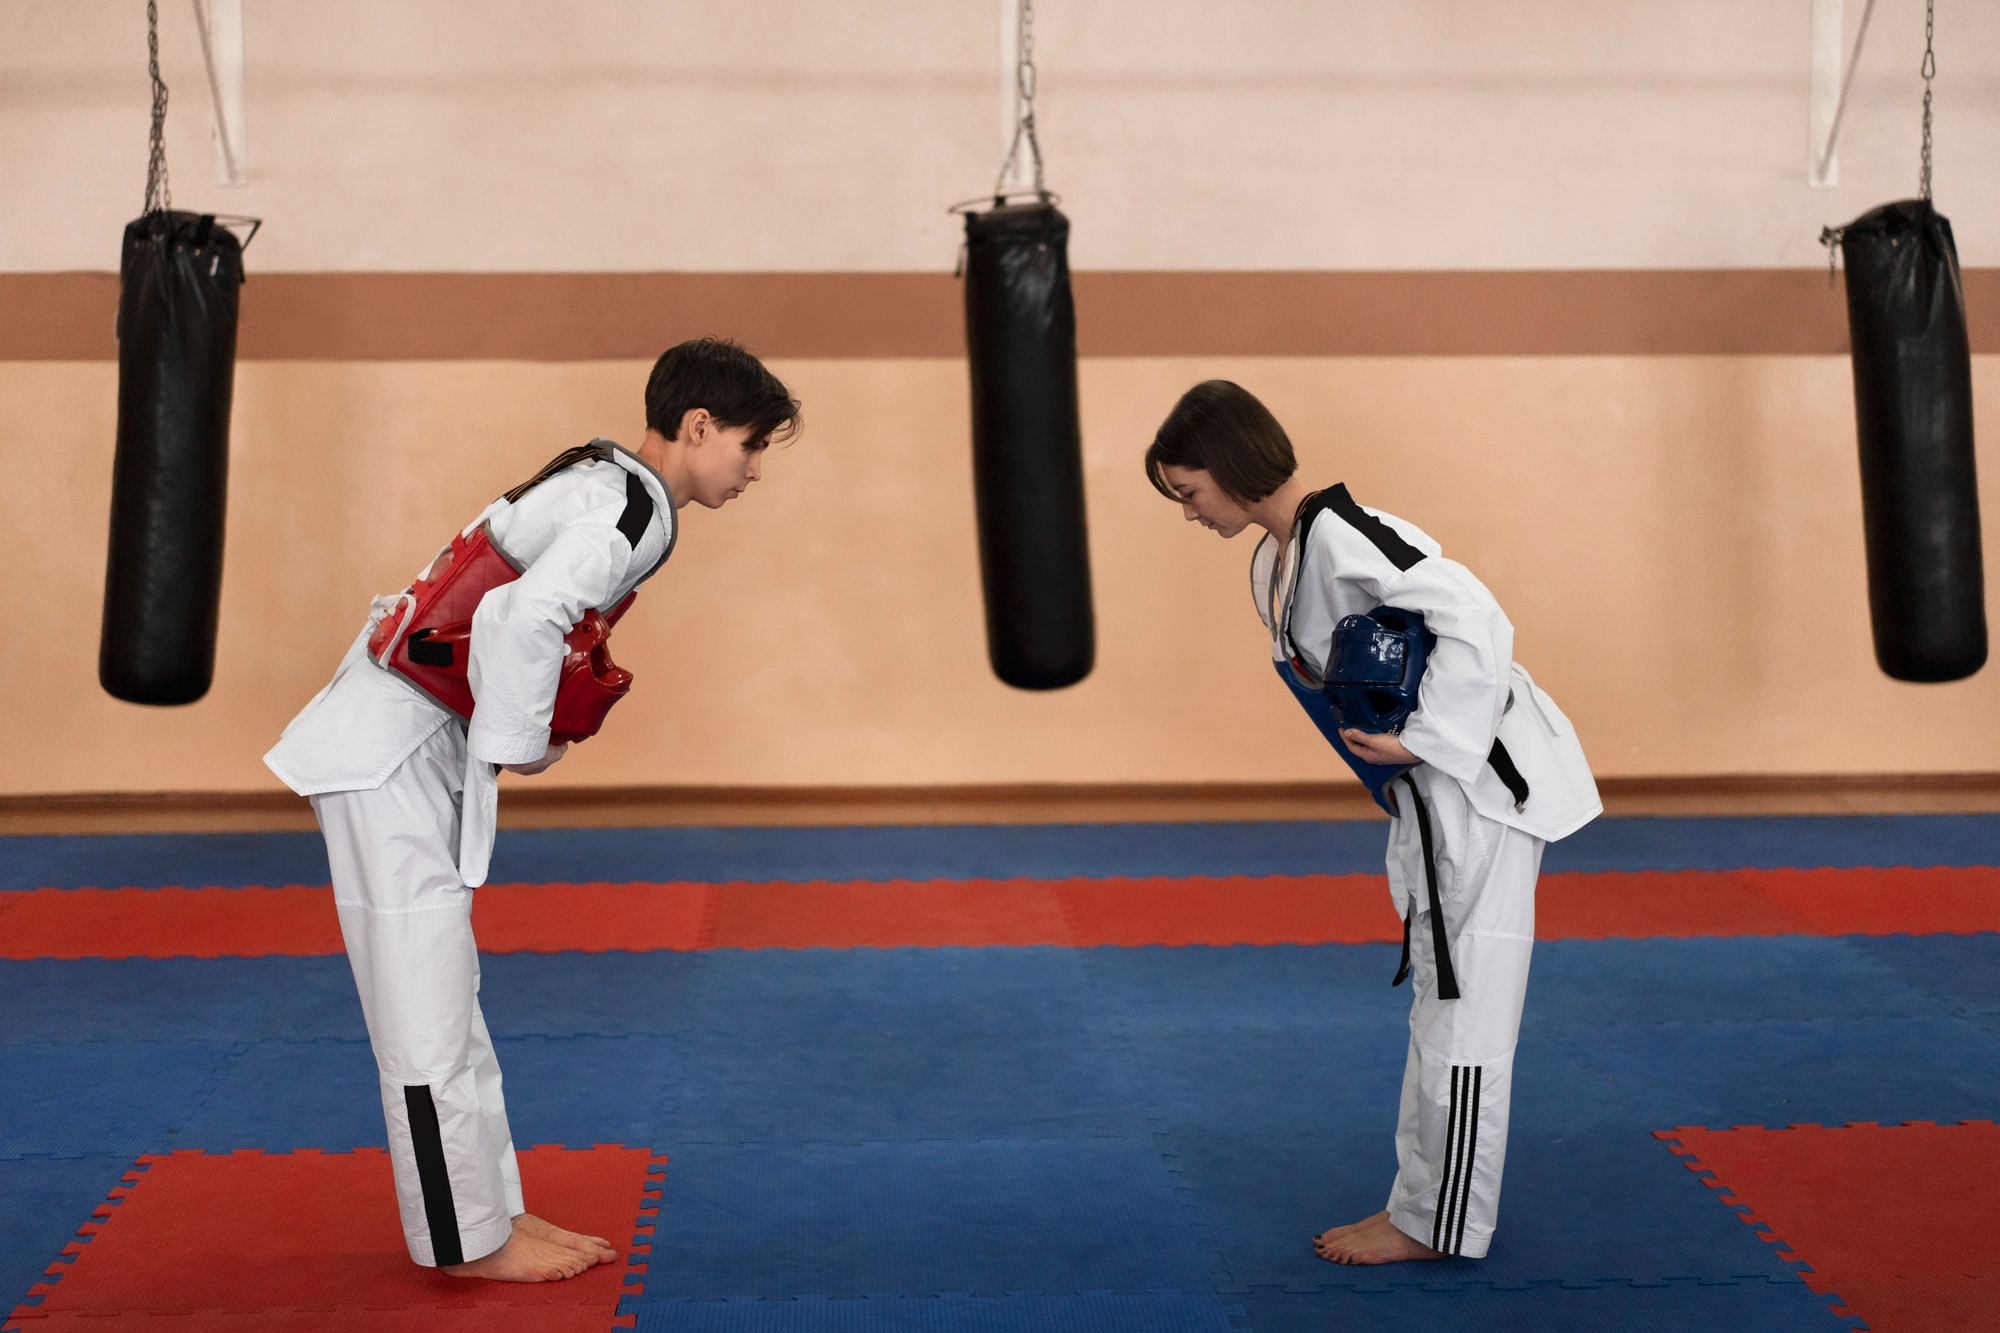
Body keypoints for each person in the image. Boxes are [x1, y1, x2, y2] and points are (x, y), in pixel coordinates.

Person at [265, 338, 799, 1281]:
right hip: (389, 752)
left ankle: (491, 1214)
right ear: (699, 425)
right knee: (424, 1015)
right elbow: (519, 618)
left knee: (450, 999)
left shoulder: (603, 478)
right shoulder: (631, 506)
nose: (754, 469)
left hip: (409, 742)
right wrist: (522, 747)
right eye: (750, 446)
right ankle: (462, 1244)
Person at [1144, 380, 1599, 1265]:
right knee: (1440, 996)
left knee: (1466, 1011)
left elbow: (1475, 617)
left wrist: (1427, 737)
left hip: (1481, 793)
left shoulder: (1346, 535)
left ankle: (1443, 1224)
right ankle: (1418, 1206)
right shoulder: (1281, 557)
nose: (1189, 513)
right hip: (1431, 797)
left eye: (1190, 491)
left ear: (1233, 469)